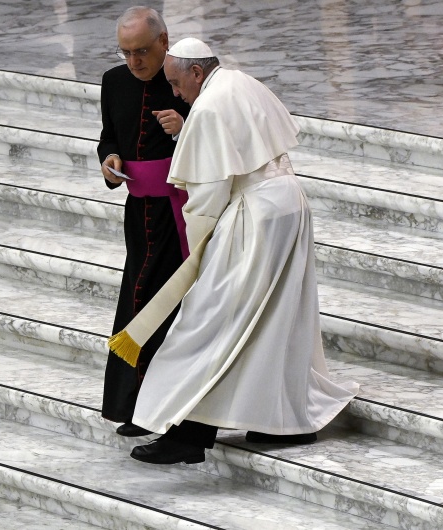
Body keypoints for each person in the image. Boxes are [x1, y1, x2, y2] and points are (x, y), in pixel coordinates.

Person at [120, 38, 359, 464]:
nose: (175, 93)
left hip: (254, 219)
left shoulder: (209, 107)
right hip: (288, 204)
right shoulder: (239, 81)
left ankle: (188, 435)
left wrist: (199, 247)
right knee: (278, 320)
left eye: (177, 83)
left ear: (197, 71)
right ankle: (285, 423)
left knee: (209, 320)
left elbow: (207, 194)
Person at [98, 7, 191, 438]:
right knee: (136, 300)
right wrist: (109, 159)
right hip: (139, 213)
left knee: (167, 305)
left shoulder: (185, 80)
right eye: (126, 52)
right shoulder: (113, 82)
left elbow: (218, 140)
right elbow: (109, 136)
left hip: (181, 215)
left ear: (164, 42)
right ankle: (134, 406)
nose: (133, 62)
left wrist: (184, 128)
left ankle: (170, 409)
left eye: (141, 51)